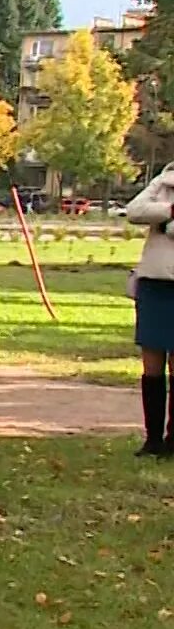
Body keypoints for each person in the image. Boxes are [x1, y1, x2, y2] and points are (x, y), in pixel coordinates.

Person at [124, 162, 174, 457]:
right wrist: (168, 211)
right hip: (154, 283)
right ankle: (152, 438)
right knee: (152, 365)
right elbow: (134, 211)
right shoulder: (164, 181)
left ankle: (173, 440)